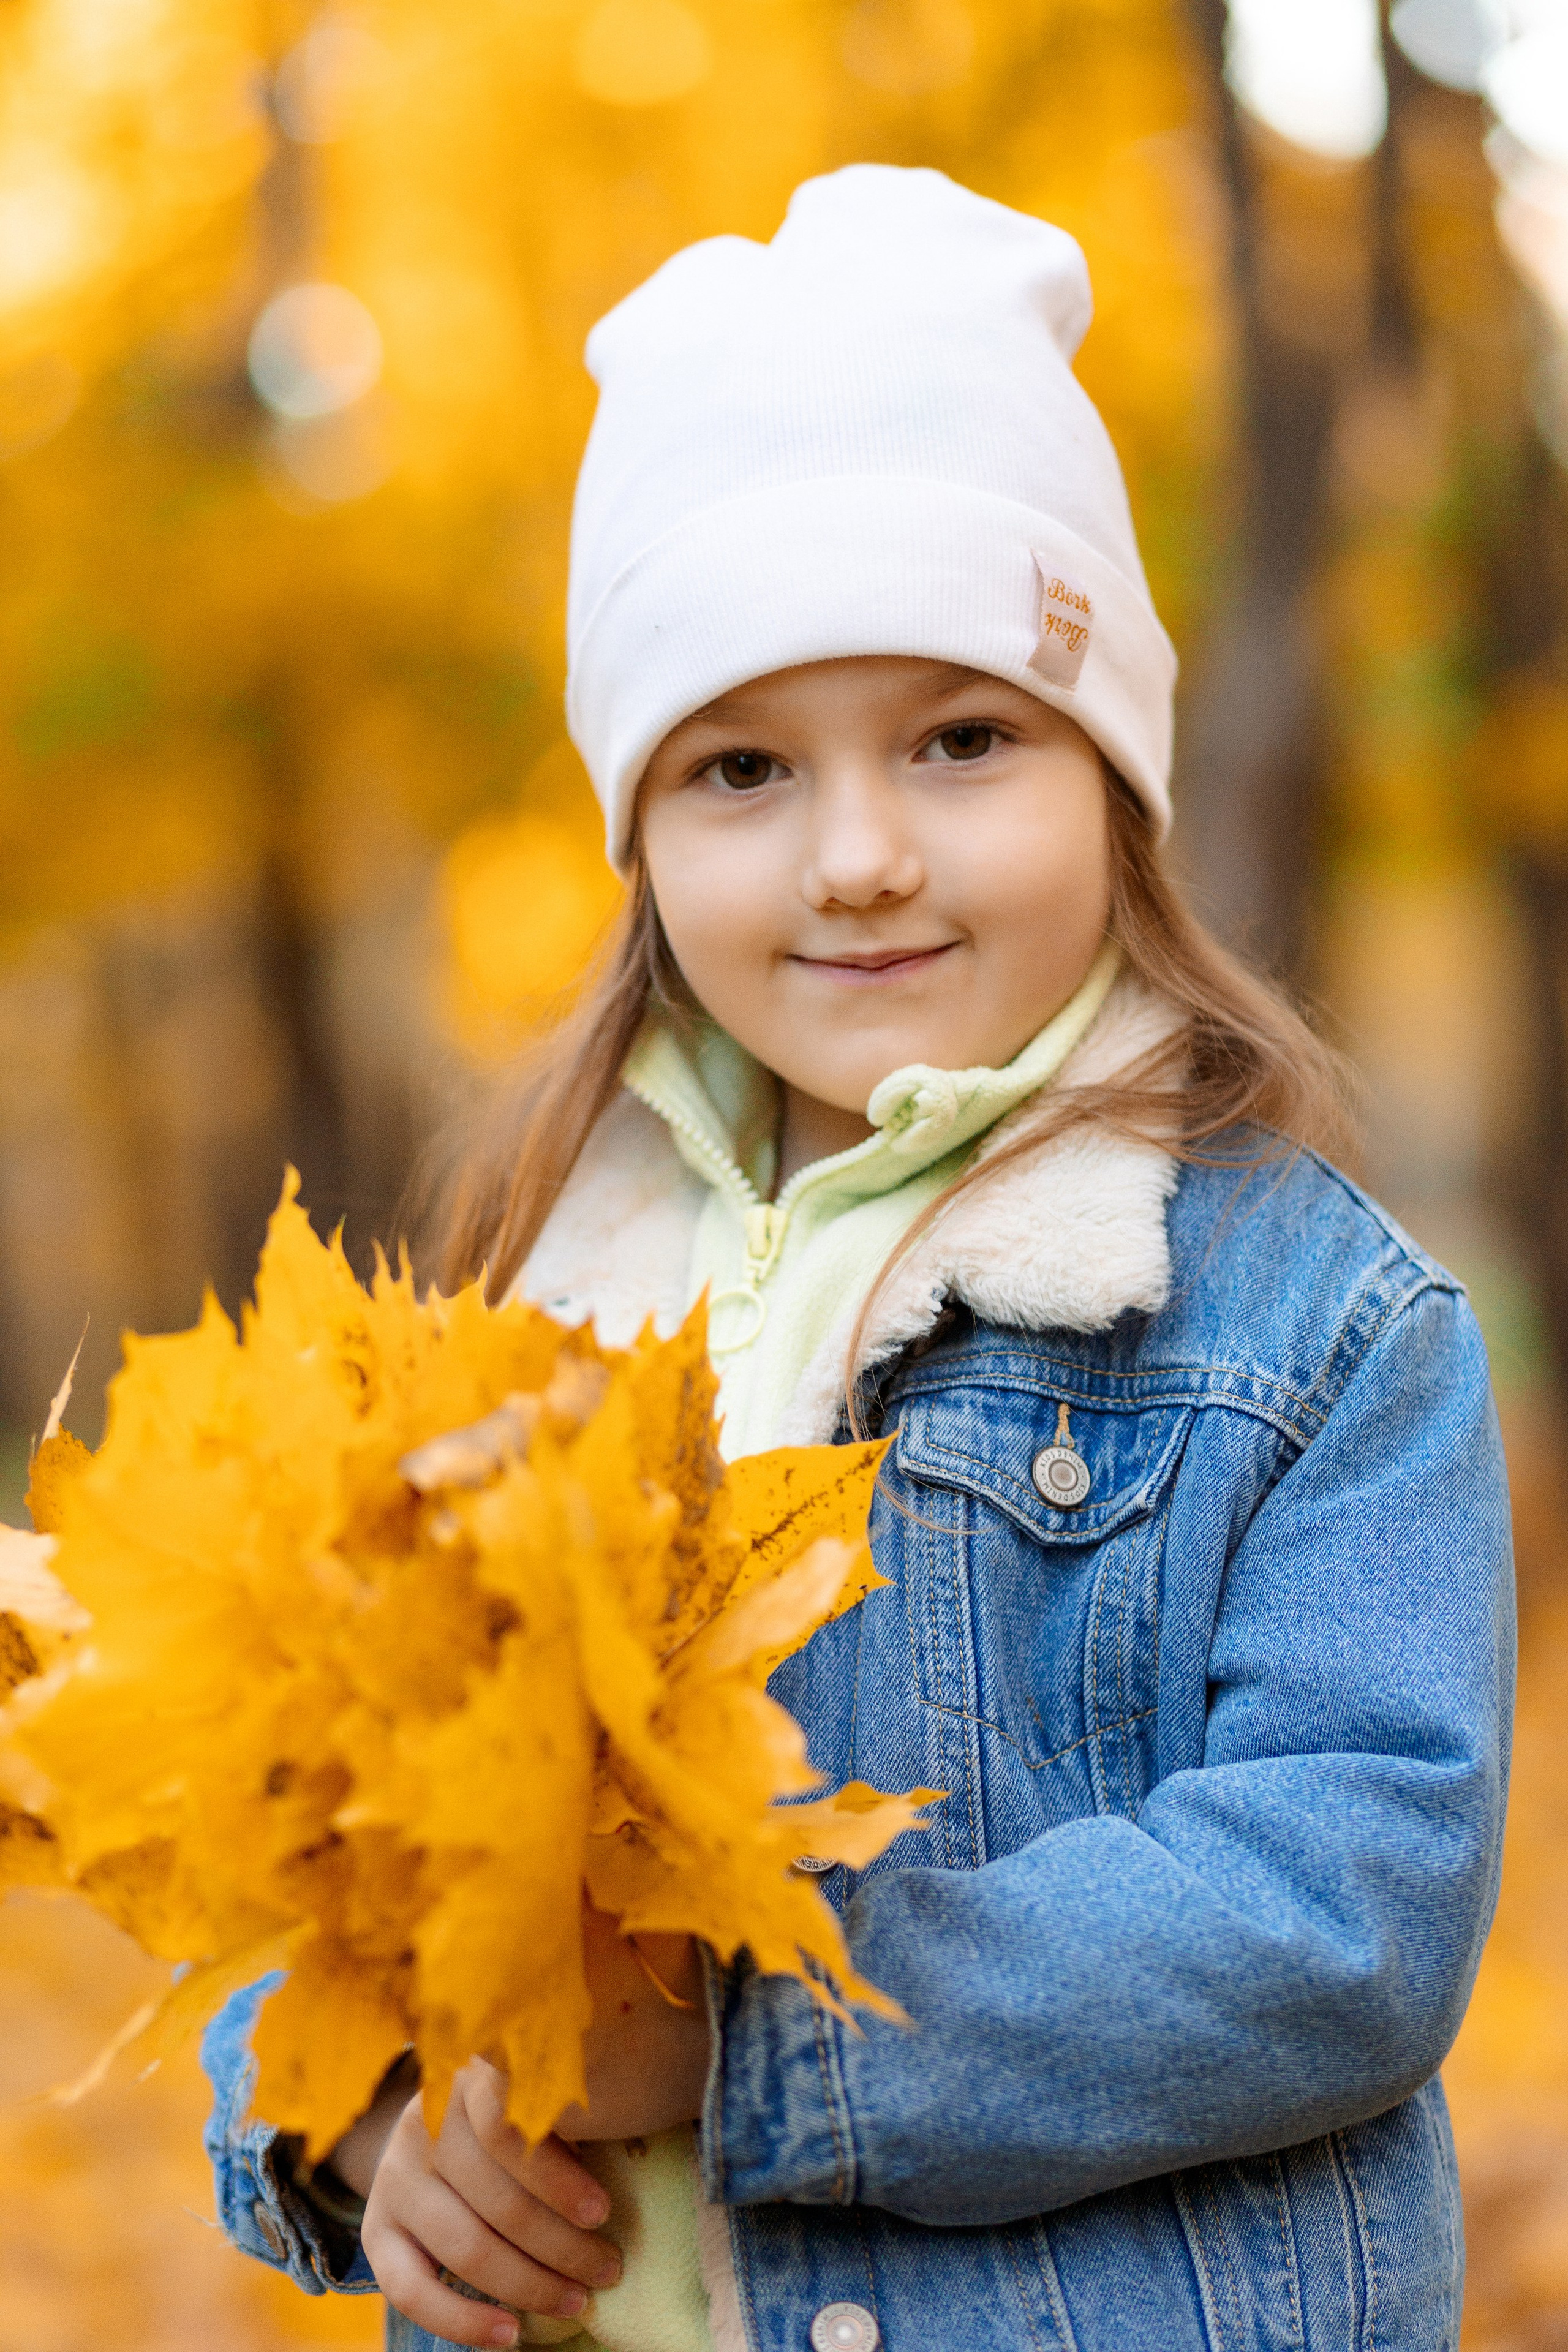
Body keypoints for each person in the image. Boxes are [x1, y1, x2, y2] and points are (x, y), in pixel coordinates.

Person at [202, 164, 1514, 2352]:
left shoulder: (1312, 1329)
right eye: (740, 767)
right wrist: (354, 2111)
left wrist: (767, 2044)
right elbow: (311, 1859)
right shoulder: (527, 1316)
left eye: (962, 736)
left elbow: (1344, 1906)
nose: (861, 852)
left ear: (1114, 777)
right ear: (638, 840)